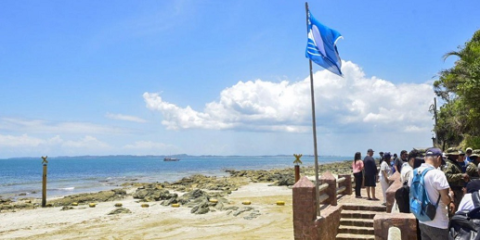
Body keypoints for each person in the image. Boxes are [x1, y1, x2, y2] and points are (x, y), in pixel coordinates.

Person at [416, 148, 455, 240]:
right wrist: (451, 196)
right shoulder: (438, 174)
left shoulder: (415, 172)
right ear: (438, 158)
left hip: (423, 220)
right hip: (438, 222)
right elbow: (445, 200)